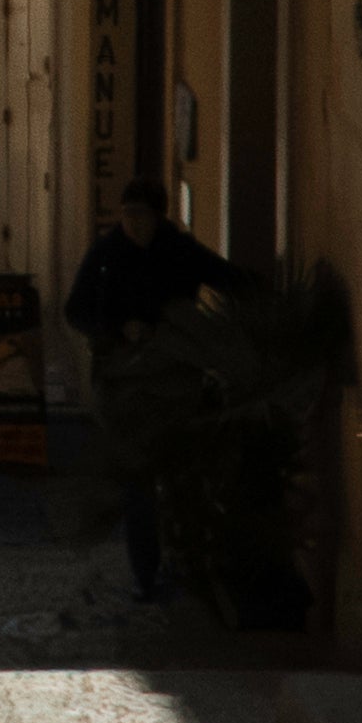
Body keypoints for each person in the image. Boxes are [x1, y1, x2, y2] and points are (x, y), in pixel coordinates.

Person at [64, 177, 239, 601]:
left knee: (177, 471)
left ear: (159, 218)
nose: (134, 225)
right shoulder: (106, 255)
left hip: (174, 382)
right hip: (122, 383)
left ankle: (182, 559)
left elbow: (226, 277)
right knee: (139, 478)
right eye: (128, 216)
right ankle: (146, 571)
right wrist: (118, 328)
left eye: (142, 216)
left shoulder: (180, 252)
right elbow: (77, 310)